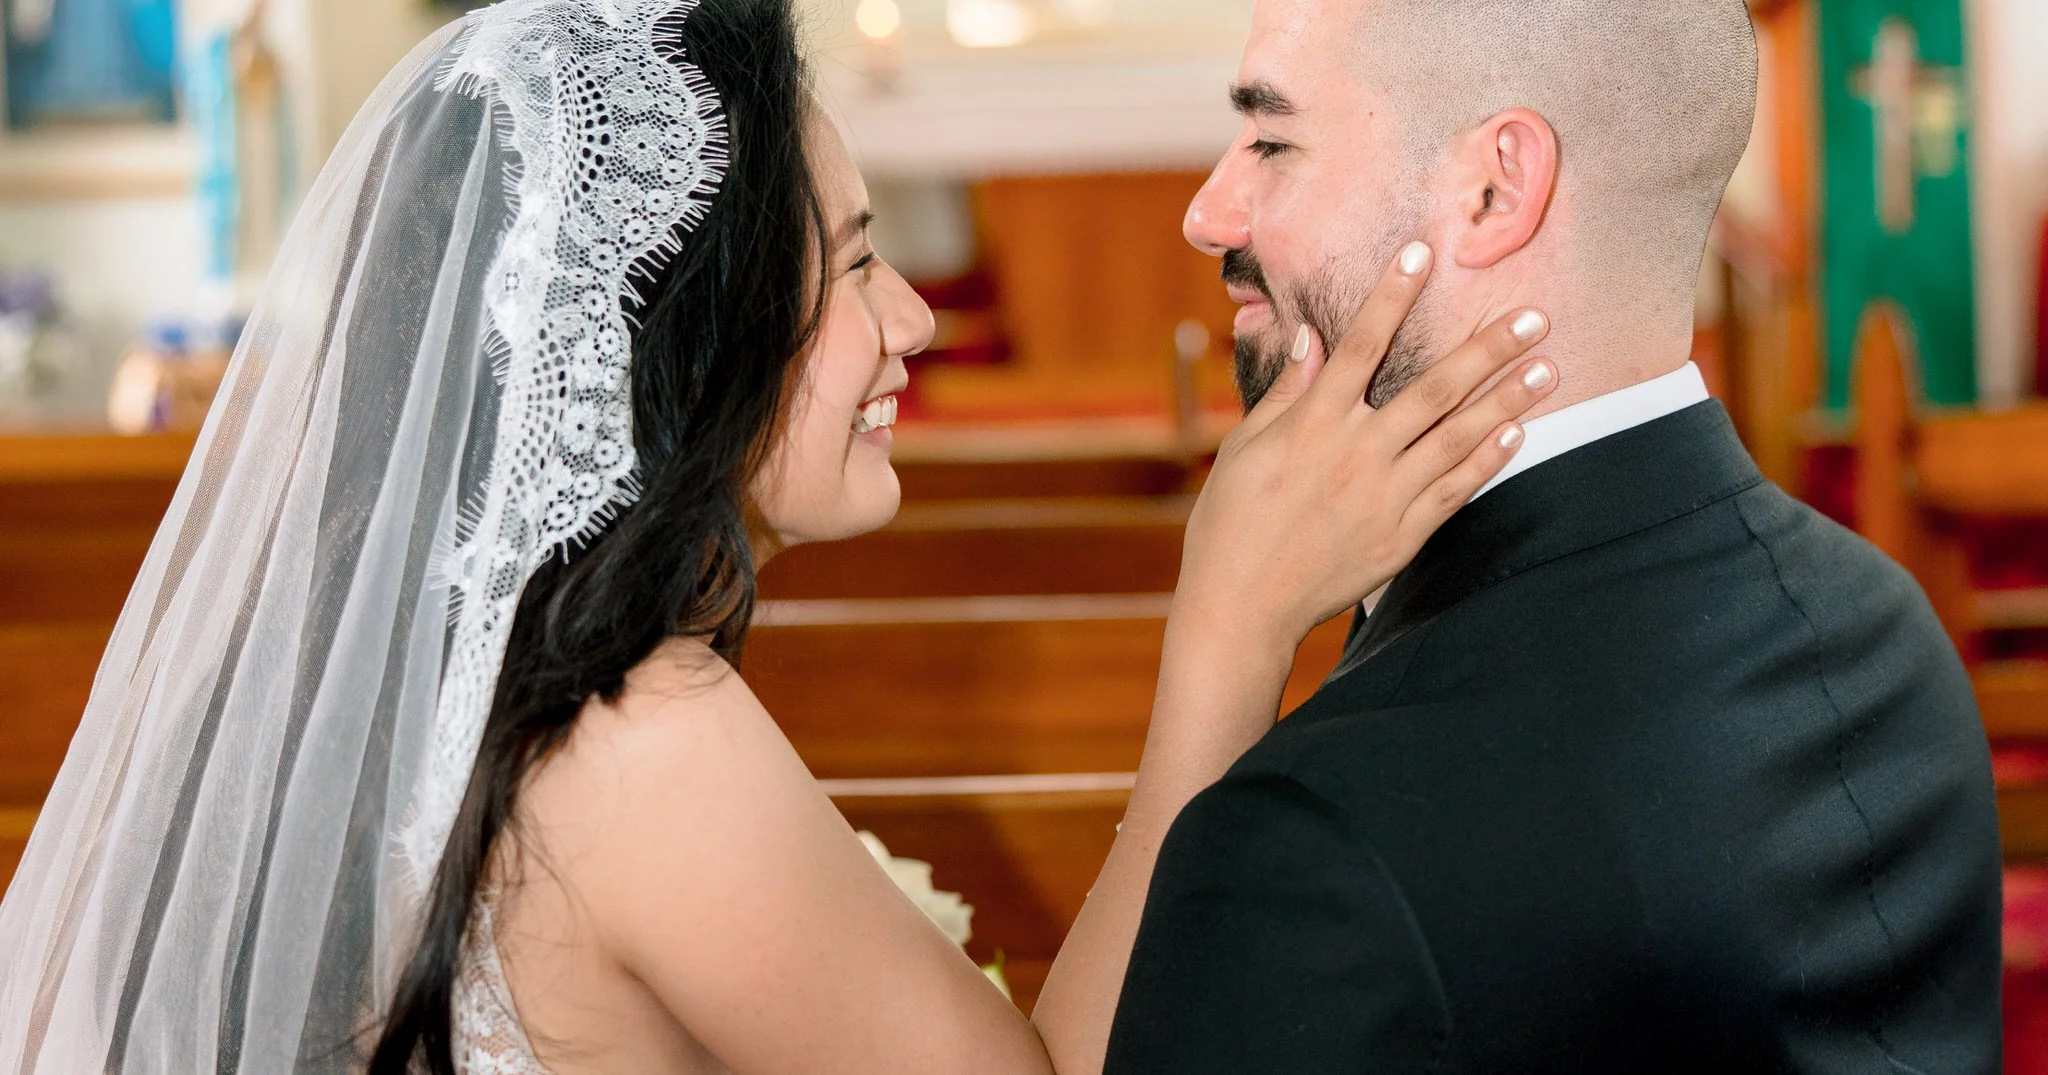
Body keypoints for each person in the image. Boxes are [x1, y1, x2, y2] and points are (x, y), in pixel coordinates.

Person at [0, 0, 1559, 1071]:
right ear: (691, 337)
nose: (912, 317)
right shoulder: (630, 740)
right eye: (859, 260)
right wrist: (1229, 619)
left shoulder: (447, 692)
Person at [1105, 1, 2003, 1072]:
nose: (1210, 213)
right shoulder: (1889, 635)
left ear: (1492, 189)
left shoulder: (1310, 835)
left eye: (1270, 141)